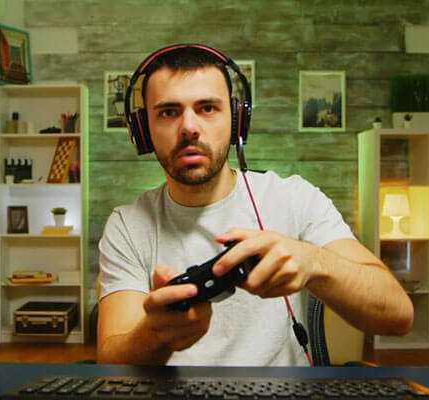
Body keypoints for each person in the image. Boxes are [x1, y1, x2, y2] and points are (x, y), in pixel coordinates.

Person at [97, 44, 413, 366]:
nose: (189, 127)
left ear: (236, 121)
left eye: (207, 108)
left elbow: (398, 315)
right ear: (143, 131)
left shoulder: (294, 198)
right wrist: (157, 335)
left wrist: (314, 263)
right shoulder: (127, 225)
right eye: (168, 112)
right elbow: (111, 359)